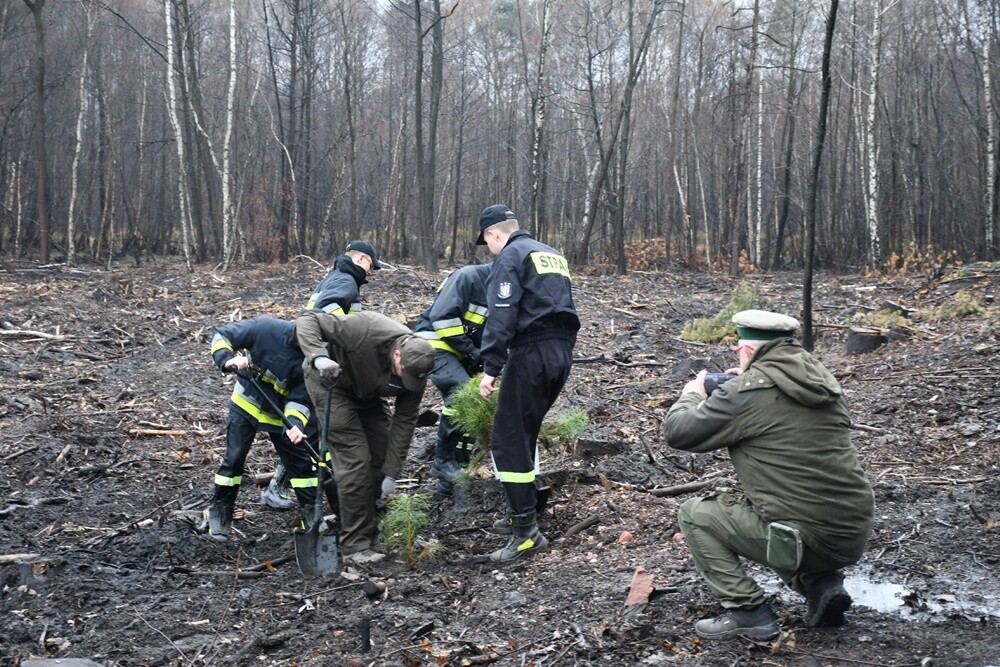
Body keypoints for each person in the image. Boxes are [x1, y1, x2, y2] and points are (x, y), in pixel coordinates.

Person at [661, 309, 875, 640]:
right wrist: (745, 382)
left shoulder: (746, 393)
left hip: (809, 536)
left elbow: (678, 432)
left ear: (747, 350)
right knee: (775, 505)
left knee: (695, 514)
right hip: (851, 530)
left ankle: (749, 613)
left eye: (738, 347)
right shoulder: (820, 379)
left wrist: (693, 393)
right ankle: (820, 584)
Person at [476, 204, 579, 563]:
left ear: (494, 234)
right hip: (562, 353)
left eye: (486, 240)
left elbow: (502, 313)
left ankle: (525, 533)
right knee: (526, 432)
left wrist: (490, 367)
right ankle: (526, 510)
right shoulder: (550, 254)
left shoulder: (509, 256)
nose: (488, 246)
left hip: (531, 352)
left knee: (507, 439)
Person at [295, 310, 435, 565]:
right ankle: (355, 545)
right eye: (405, 374)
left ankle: (370, 525)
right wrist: (319, 358)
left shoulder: (417, 369)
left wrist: (391, 473)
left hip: (366, 394)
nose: (408, 383)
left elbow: (404, 422)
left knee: (380, 455)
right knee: (355, 462)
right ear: (397, 355)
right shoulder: (366, 329)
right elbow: (308, 320)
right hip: (331, 385)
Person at [207, 317, 320, 540]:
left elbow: (300, 398)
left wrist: (295, 425)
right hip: (246, 404)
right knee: (234, 458)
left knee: (302, 466)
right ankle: (221, 511)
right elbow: (222, 335)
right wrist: (228, 359)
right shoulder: (266, 329)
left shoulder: (311, 361)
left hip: (280, 415)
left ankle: (313, 519)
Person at [415, 263, 491, 494]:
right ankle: (442, 462)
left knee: (476, 402)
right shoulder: (469, 277)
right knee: (462, 394)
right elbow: (442, 317)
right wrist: (471, 351)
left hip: (461, 351)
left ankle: (457, 470)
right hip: (434, 343)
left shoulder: (505, 287)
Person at [305, 240, 381, 315]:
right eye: (371, 266)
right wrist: (345, 325)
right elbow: (324, 308)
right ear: (361, 258)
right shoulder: (346, 281)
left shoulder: (335, 277)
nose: (369, 271)